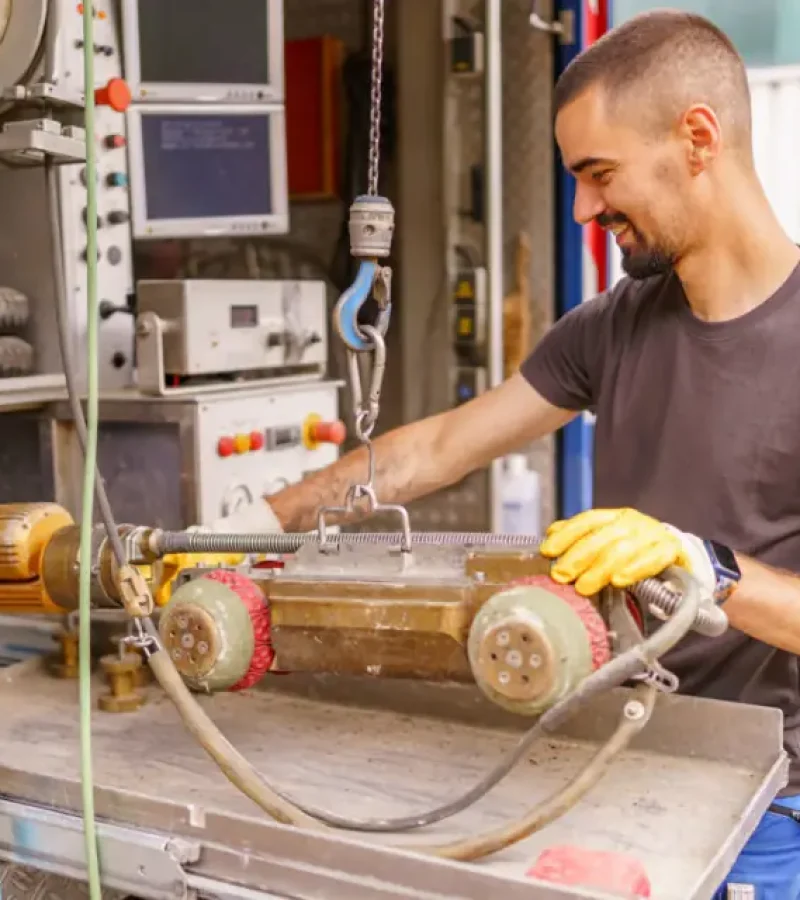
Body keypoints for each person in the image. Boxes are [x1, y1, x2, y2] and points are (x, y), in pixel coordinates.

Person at [212, 10, 800, 896]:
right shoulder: (612, 328)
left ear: (699, 137)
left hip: (770, 805)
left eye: (599, 176)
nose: (583, 210)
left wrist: (707, 570)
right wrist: (239, 529)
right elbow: (435, 451)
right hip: (617, 760)